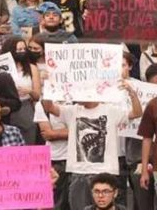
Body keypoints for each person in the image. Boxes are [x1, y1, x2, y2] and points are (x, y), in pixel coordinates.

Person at [42, 80, 142, 210]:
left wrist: (132, 93)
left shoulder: (111, 110)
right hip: (79, 173)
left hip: (105, 172)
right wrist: (49, 87)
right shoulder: (71, 110)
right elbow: (49, 107)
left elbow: (137, 113)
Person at [2, 36, 41, 145]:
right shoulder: (0, 67)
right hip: (6, 108)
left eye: (24, 49)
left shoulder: (32, 68)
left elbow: (37, 96)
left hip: (25, 107)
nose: (22, 52)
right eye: (19, 50)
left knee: (28, 138)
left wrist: (29, 91)